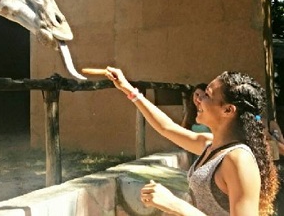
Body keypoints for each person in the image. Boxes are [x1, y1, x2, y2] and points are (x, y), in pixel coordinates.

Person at [105, 67, 278, 216]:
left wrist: (177, 205)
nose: (198, 99)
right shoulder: (211, 145)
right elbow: (167, 128)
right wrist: (129, 90)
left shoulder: (239, 159)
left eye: (207, 95)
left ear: (227, 110)